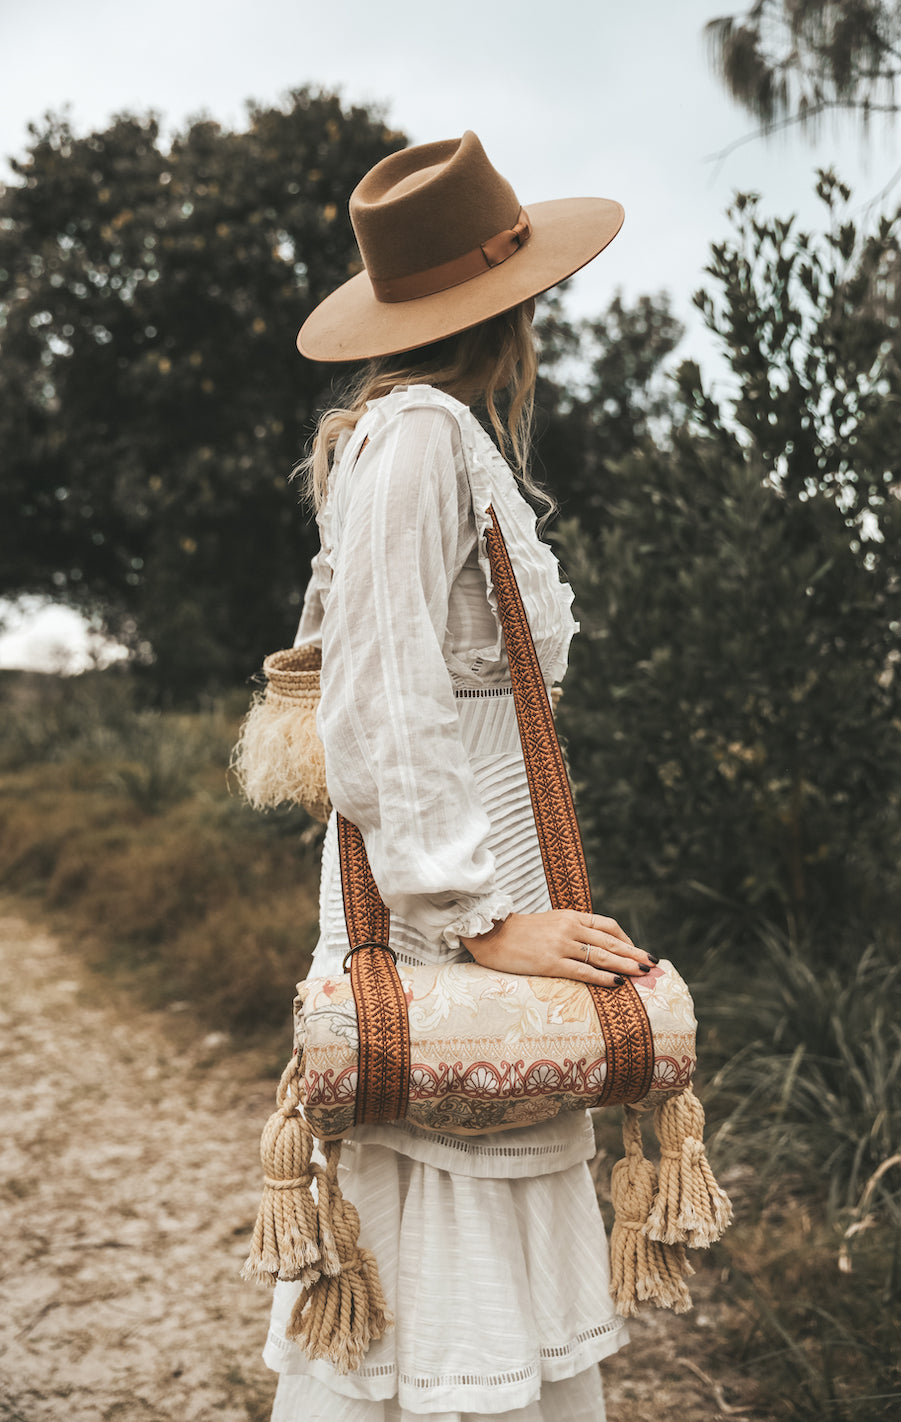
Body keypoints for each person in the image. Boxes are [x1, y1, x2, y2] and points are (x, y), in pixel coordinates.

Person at [264, 131, 655, 1422]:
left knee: (460, 1244)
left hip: (471, 889)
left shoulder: (422, 436)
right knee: (445, 1247)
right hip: (455, 910)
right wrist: (480, 919)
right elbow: (379, 699)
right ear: (513, 307)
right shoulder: (424, 437)